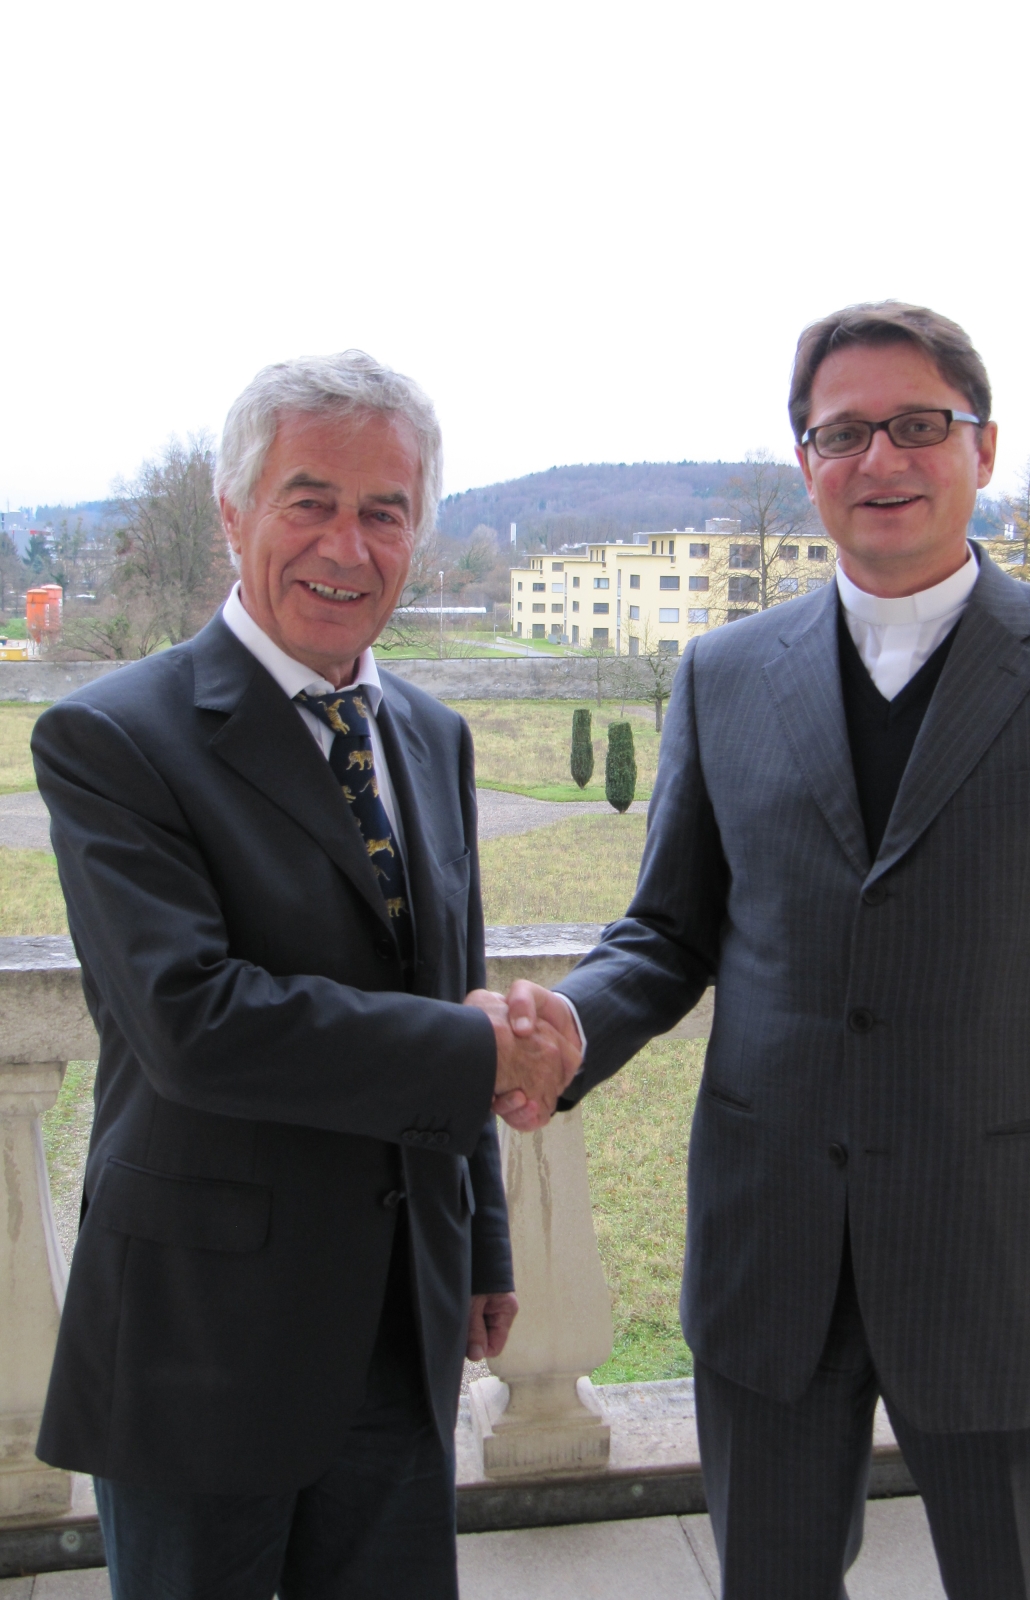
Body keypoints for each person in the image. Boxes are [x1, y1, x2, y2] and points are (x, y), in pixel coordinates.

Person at [505, 303, 1030, 1598]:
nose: (882, 460)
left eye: (919, 426)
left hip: (1009, 1270)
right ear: (807, 460)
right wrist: (576, 1026)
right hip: (775, 1263)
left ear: (981, 451)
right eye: (843, 432)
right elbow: (666, 931)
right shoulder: (722, 673)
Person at [32, 351, 580, 1600]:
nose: (348, 542)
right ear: (234, 513)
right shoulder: (116, 738)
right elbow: (195, 1023)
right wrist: (478, 1050)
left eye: (384, 510)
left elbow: (454, 984)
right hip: (201, 1341)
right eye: (310, 499)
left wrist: (483, 1243)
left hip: (400, 1324)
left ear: (419, 535)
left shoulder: (430, 736)